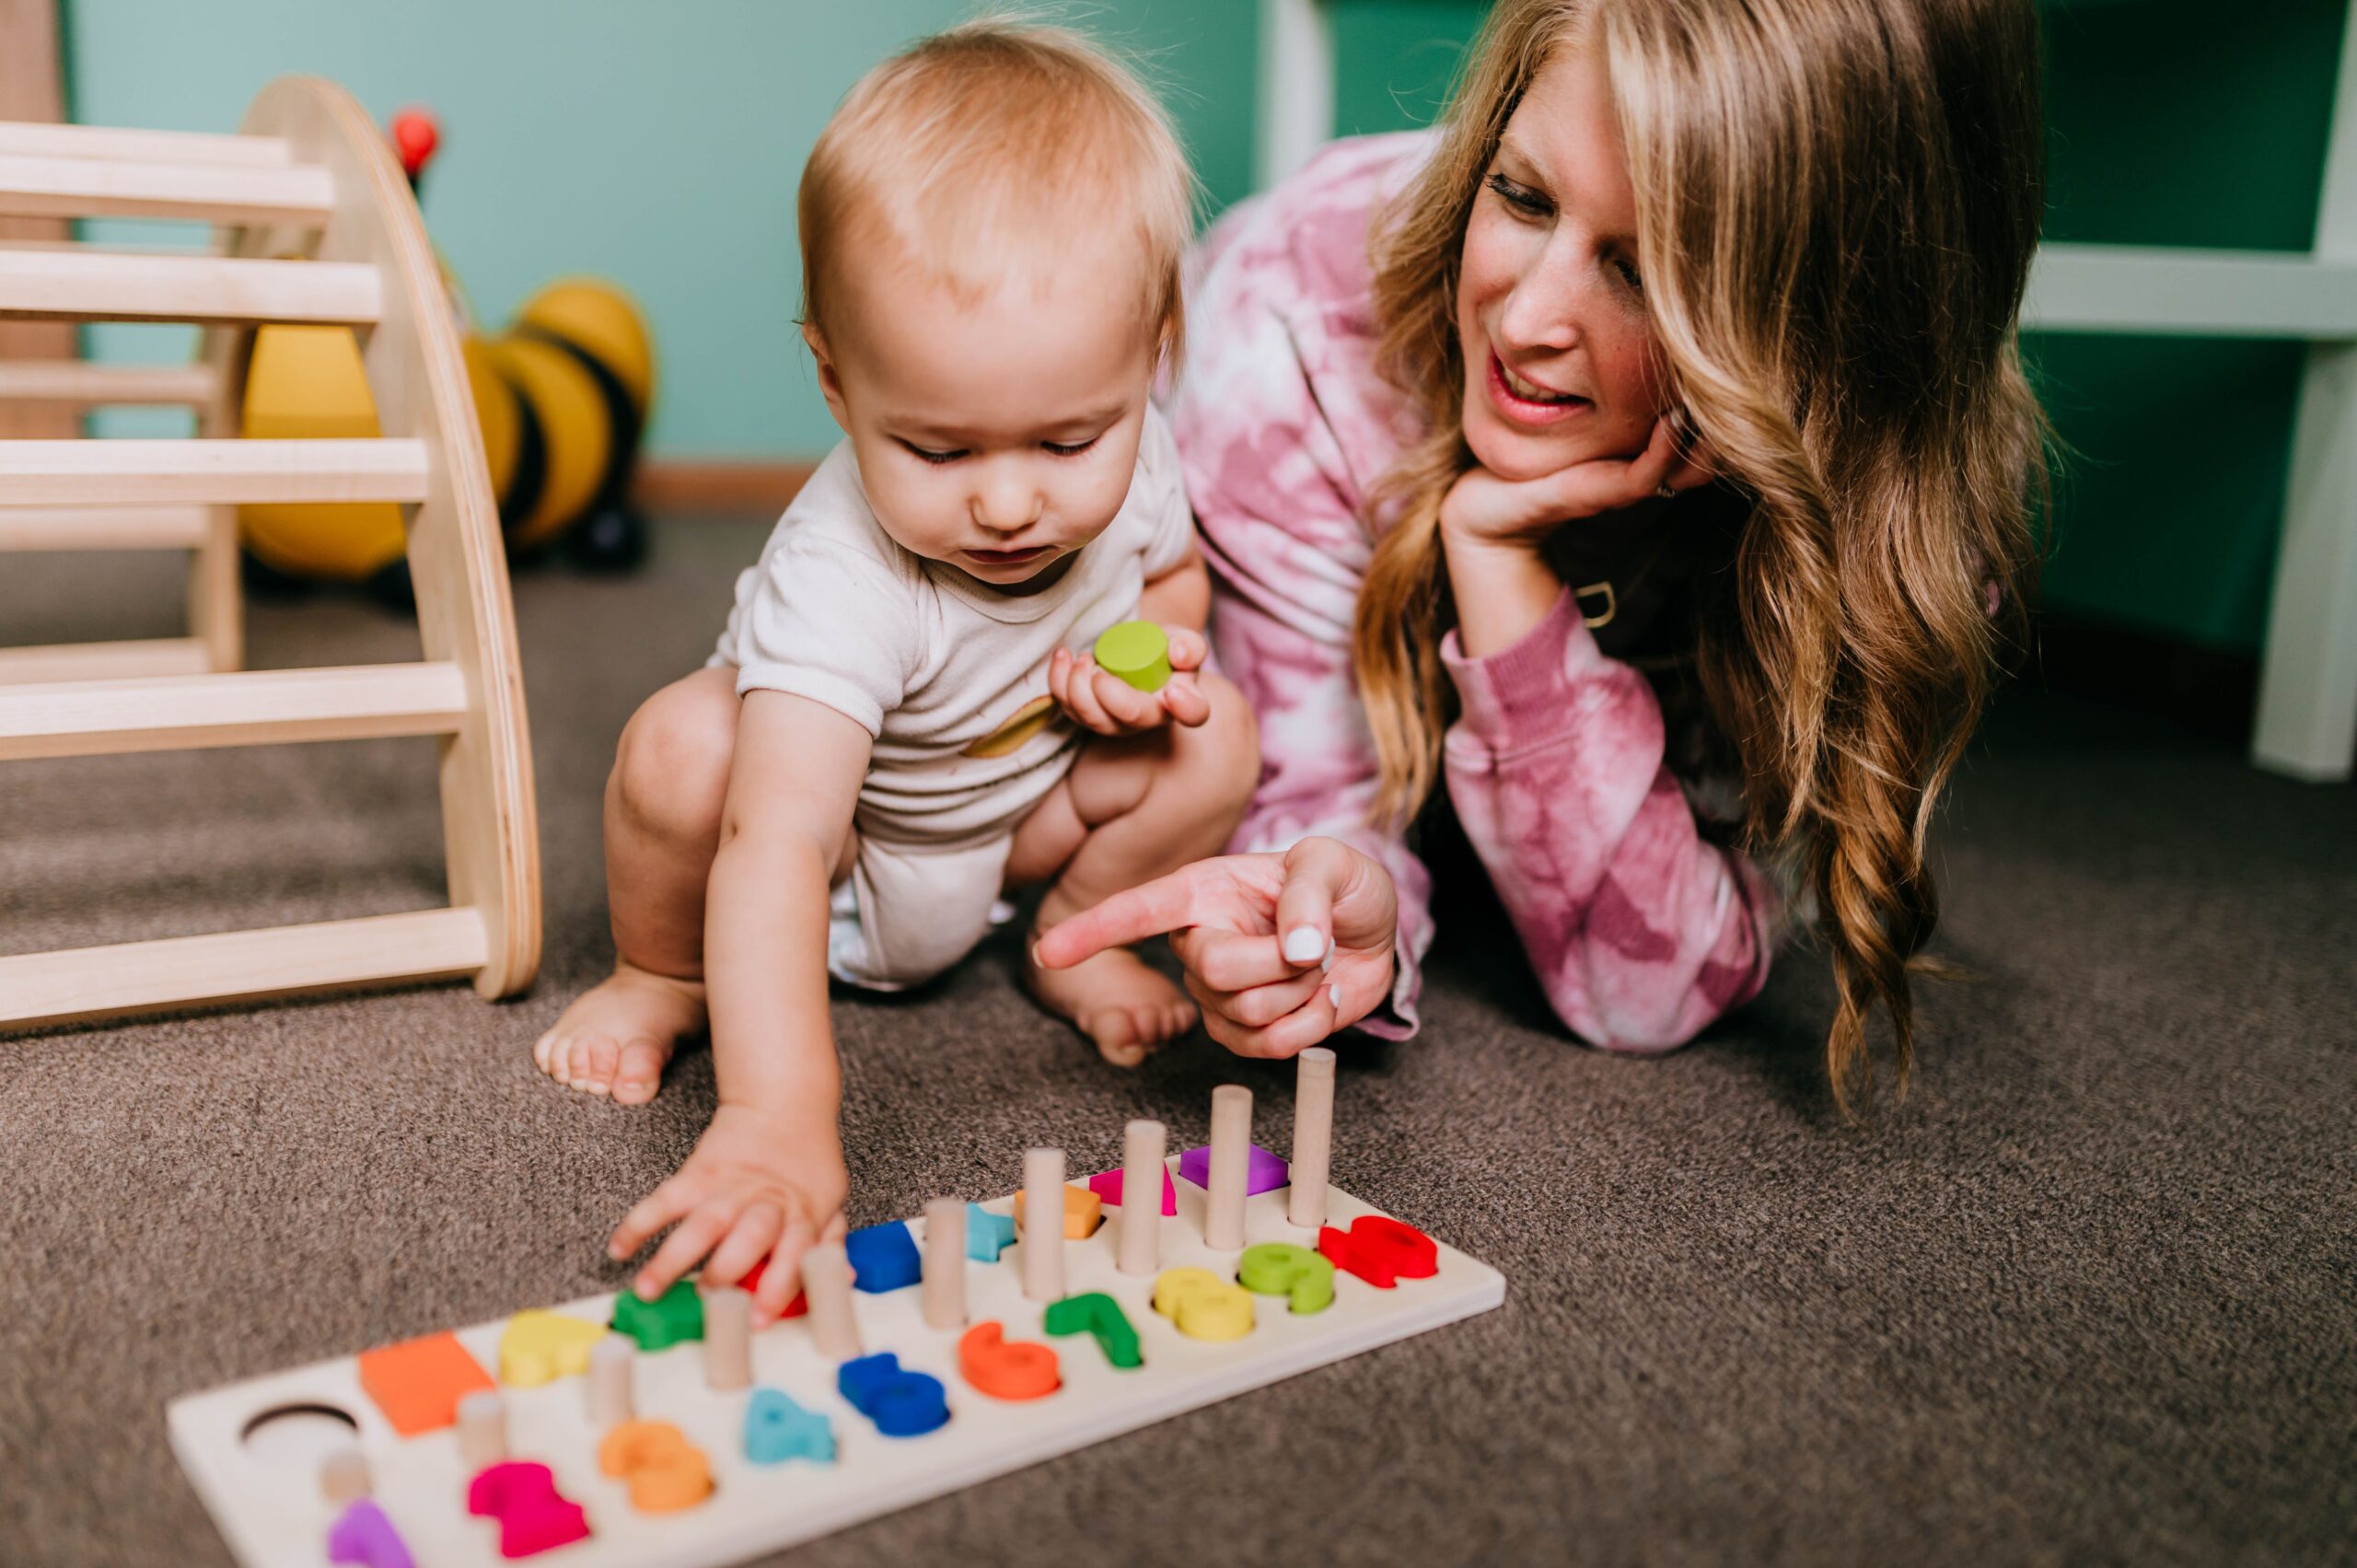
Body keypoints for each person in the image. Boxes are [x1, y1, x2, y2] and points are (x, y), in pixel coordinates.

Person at [1038, 0, 2048, 1109]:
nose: (1523, 322)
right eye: (1519, 195)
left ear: (1813, 328)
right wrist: (1329, 904)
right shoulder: (1290, 336)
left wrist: (1500, 568)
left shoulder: (1882, 495)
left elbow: (1648, 987)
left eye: (1644, 267)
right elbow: (1310, 803)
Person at [536, 21, 1258, 1317]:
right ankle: (666, 971)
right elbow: (778, 839)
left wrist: (1138, 656)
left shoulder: (1139, 448)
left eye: (1064, 436)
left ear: (1153, 352)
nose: (1011, 502)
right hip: (848, 855)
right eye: (938, 449)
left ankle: (1068, 934)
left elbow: (1172, 578)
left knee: (1219, 739)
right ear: (833, 378)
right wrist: (777, 1113)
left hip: (1013, 828)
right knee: (682, 750)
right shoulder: (845, 572)